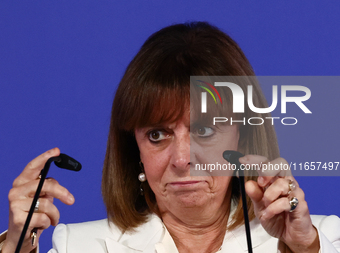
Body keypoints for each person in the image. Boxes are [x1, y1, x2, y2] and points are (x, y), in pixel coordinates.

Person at [1, 22, 340, 253]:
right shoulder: (80, 245)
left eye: (205, 130)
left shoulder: (322, 238)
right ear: (135, 148)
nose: (181, 159)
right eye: (157, 134)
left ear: (243, 139)